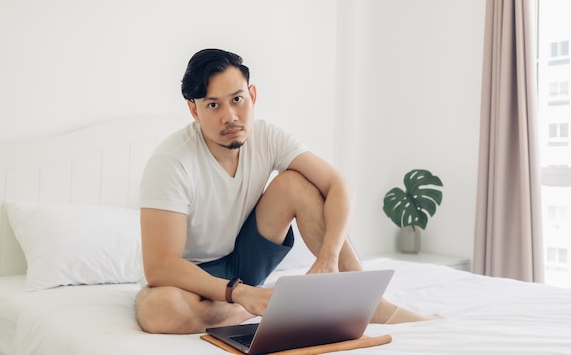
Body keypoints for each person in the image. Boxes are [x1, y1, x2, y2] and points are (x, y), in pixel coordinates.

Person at [135, 48, 437, 334]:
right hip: (194, 277)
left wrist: (328, 259)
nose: (230, 116)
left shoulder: (268, 137)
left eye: (237, 99)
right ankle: (273, 305)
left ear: (252, 96)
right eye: (213, 105)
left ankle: (370, 304)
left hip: (246, 258)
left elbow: (338, 187)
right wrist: (240, 293)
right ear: (194, 110)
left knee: (296, 184)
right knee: (158, 310)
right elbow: (161, 265)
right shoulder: (172, 162)